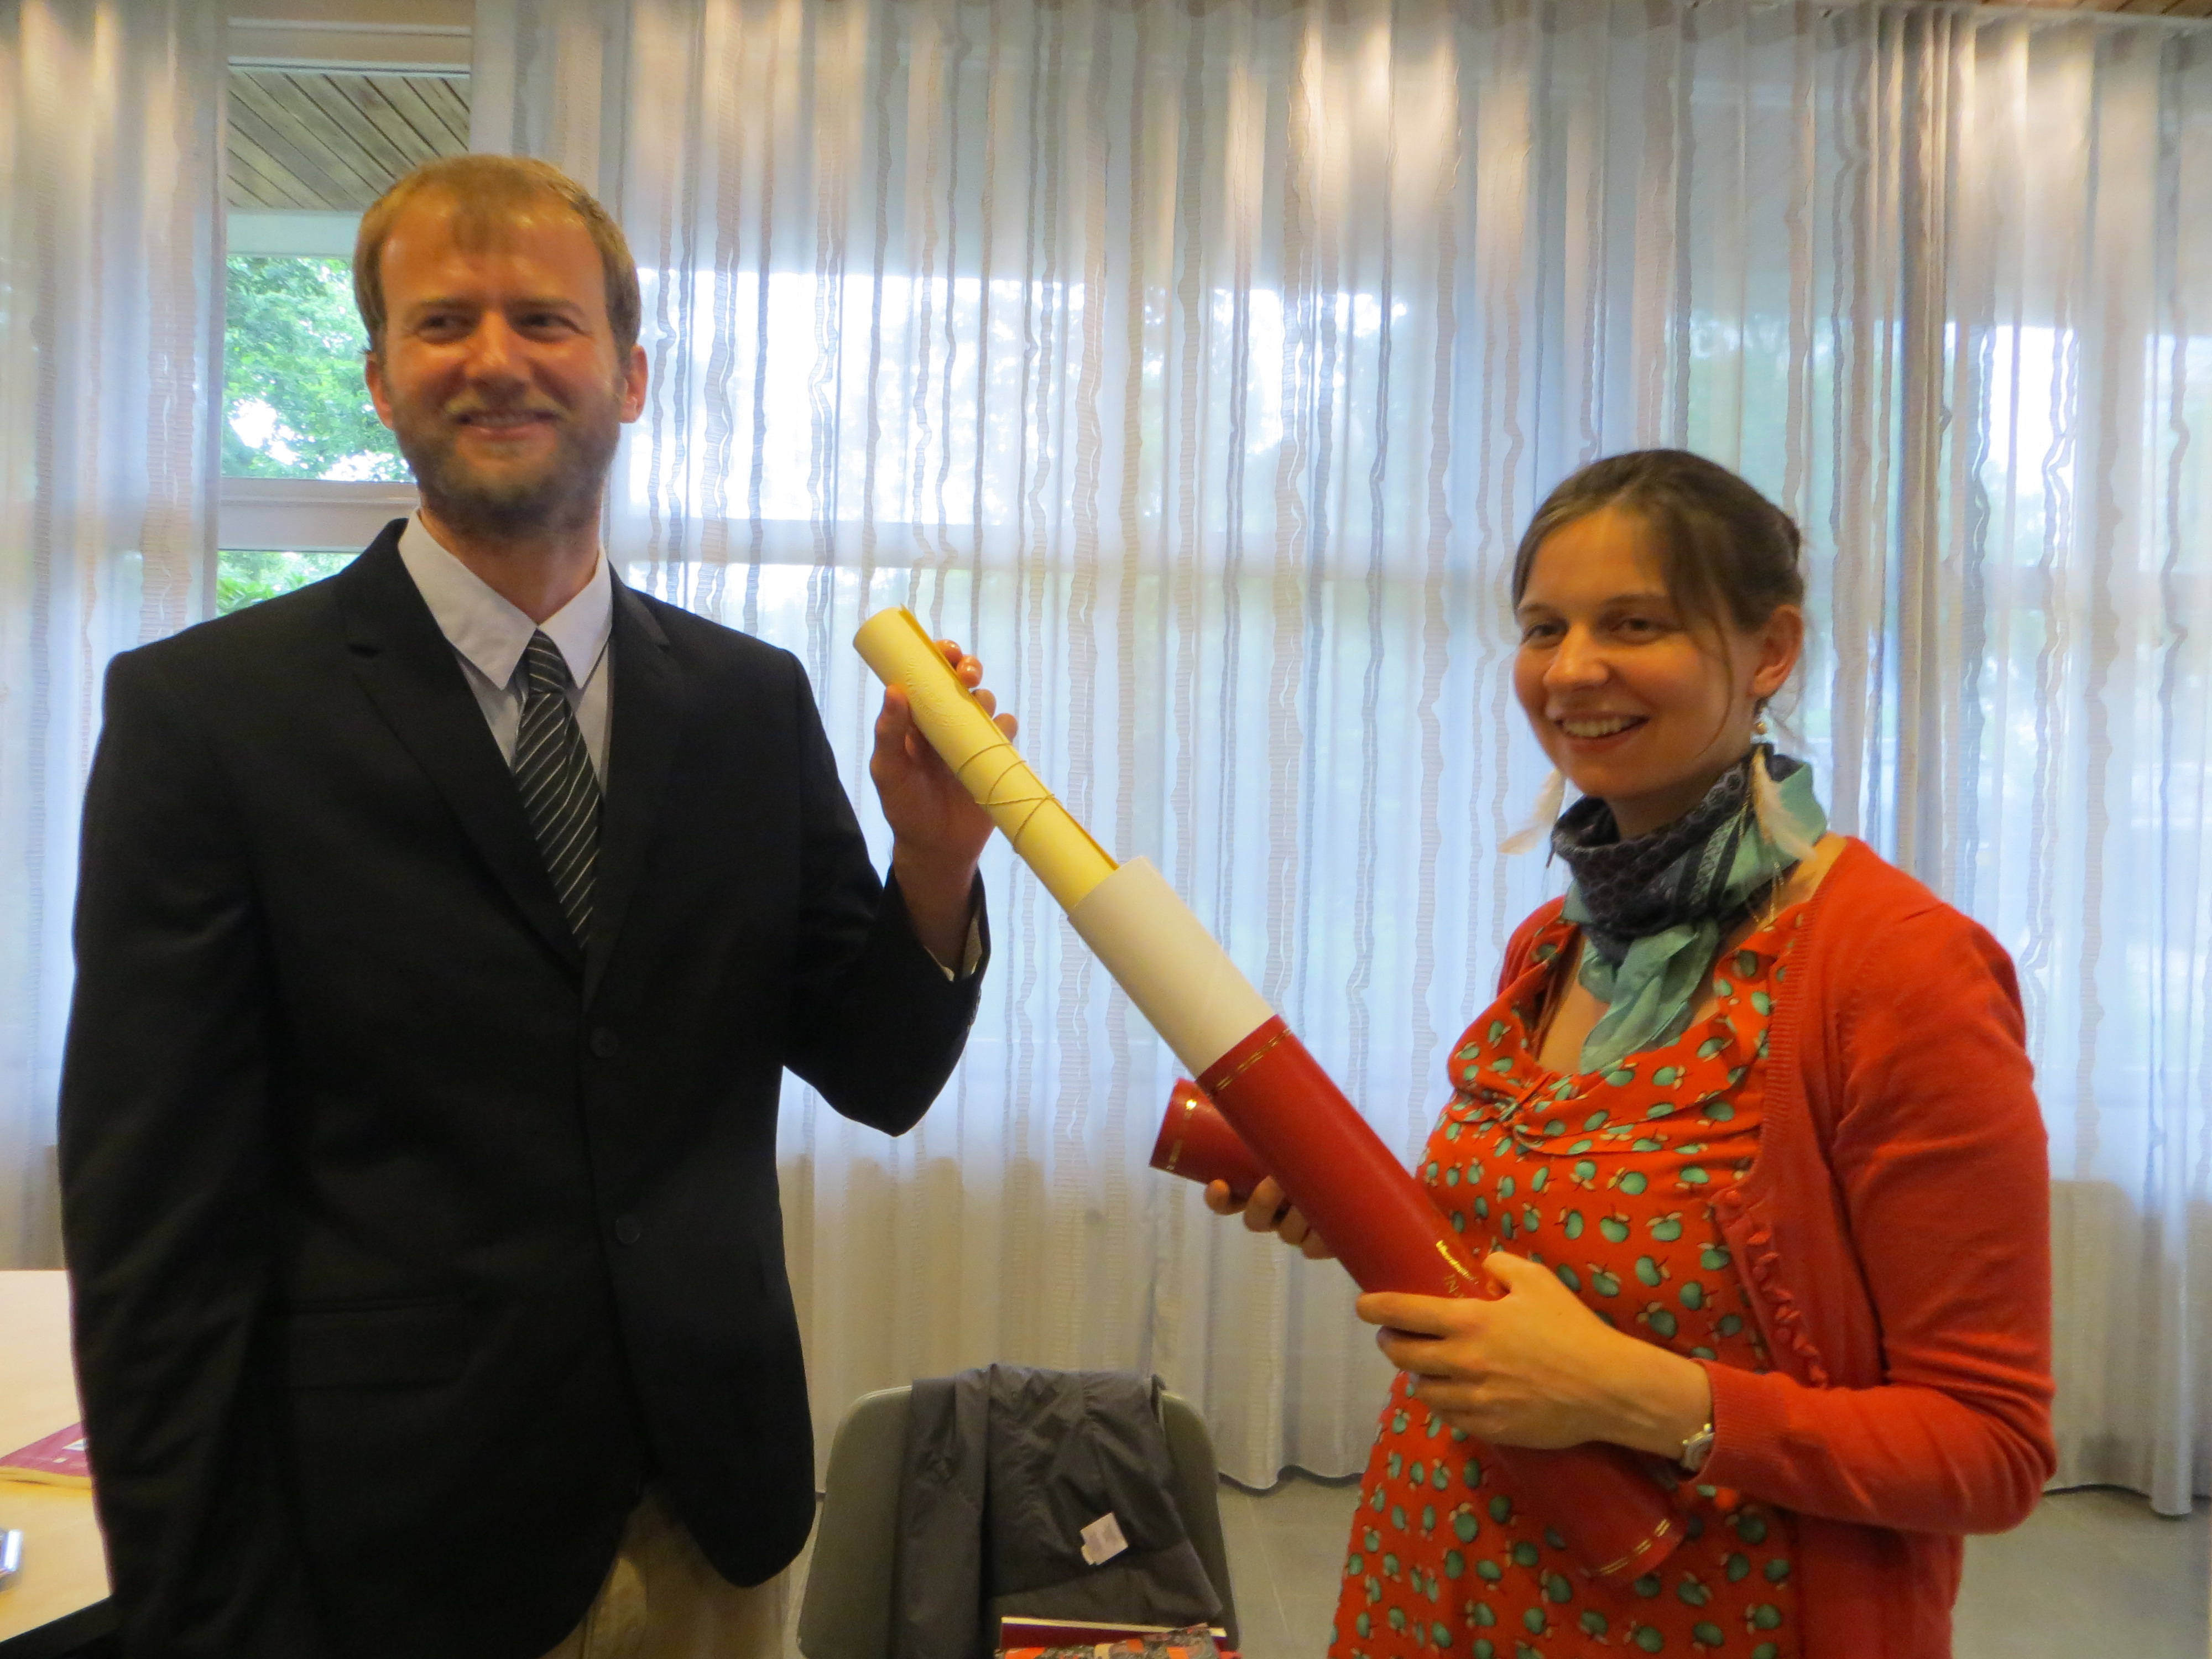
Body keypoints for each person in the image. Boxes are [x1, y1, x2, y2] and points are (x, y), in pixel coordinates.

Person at [59, 155, 1009, 1659]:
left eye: (545, 320)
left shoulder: (749, 703)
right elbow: (153, 1220)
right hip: (381, 1546)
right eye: (443, 322)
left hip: (710, 1519)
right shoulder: (210, 716)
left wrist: (936, 863)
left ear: (630, 376)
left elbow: (877, 1071)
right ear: (379, 378)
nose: (495, 358)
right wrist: (193, 1610)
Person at [1209, 450, 2055, 1659]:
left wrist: (1640, 1398)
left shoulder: (1894, 969)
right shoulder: (1553, 946)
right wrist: (1359, 1212)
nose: (1570, 670)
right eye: (1542, 628)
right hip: (1434, 1587)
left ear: (1770, 652)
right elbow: (1545, 1265)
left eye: (1634, 624)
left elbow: (1989, 1451)